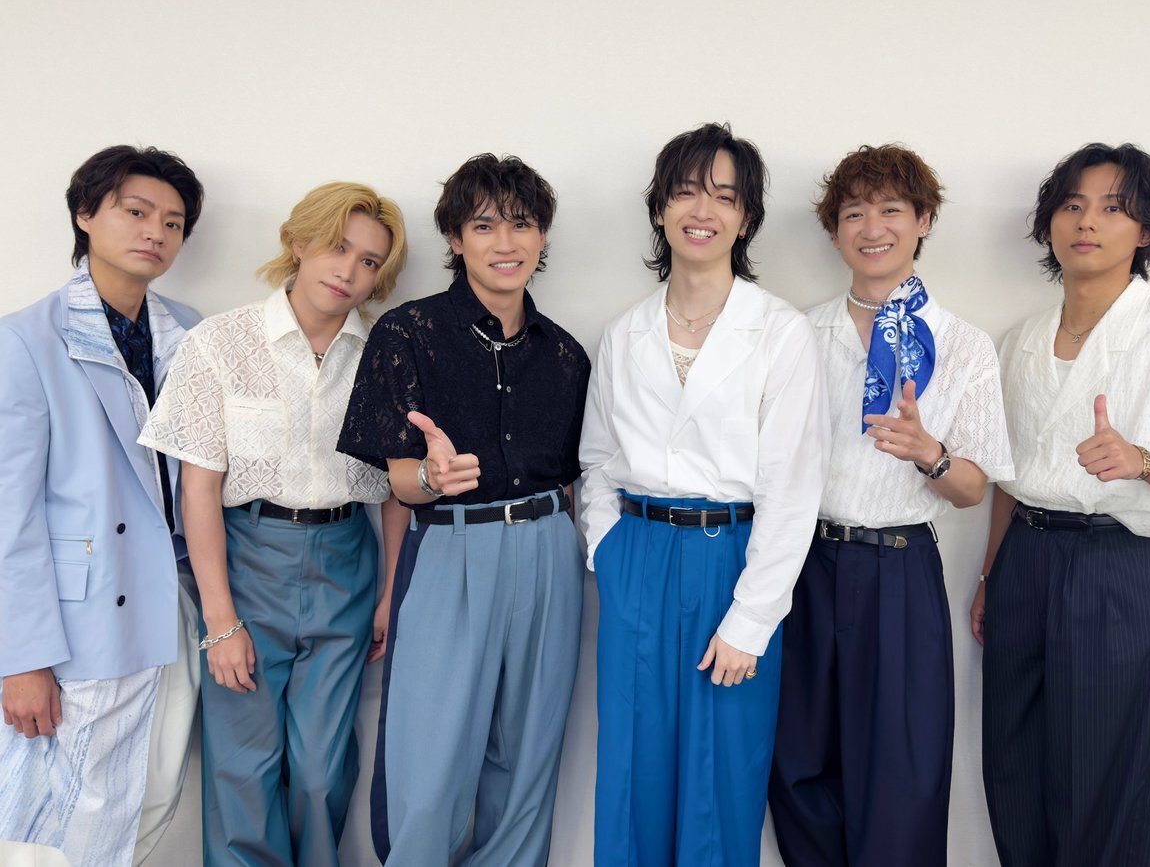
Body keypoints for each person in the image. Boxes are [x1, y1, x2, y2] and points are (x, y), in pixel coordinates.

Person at [578, 122, 829, 867]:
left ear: (746, 219)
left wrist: (753, 618)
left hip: (731, 560)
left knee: (721, 773)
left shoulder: (779, 331)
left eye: (724, 196)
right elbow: (597, 461)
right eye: (687, 191)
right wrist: (607, 551)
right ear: (660, 208)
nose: (703, 210)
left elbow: (793, 487)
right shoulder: (624, 333)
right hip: (638, 555)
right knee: (634, 765)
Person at [139, 182, 408, 866]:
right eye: (337, 247)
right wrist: (221, 622)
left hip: (347, 564)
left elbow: (396, 492)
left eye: (369, 261)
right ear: (297, 242)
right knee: (243, 766)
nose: (349, 271)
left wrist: (389, 593)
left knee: (321, 770)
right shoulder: (219, 343)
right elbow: (198, 489)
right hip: (247, 562)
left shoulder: (384, 354)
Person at [337, 154, 590, 867]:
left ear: (542, 237)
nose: (505, 243)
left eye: (522, 224)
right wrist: (432, 475)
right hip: (450, 549)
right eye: (483, 226)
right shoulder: (407, 333)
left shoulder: (566, 355)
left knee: (528, 759)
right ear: (454, 238)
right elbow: (398, 480)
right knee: (428, 765)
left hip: (548, 552)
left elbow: (574, 478)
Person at [766, 144, 1012, 867]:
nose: (872, 228)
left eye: (891, 210)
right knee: (797, 767)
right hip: (802, 564)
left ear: (924, 220)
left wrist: (930, 453)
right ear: (834, 230)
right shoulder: (795, 334)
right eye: (853, 213)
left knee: (902, 776)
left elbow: (974, 488)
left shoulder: (962, 345)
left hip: (899, 570)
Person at [975, 143, 1150, 867]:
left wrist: (1143, 462)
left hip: (1122, 566)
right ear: (1049, 224)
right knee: (1015, 761)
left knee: (1111, 775)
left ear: (1147, 232)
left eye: (1113, 208)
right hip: (1026, 559)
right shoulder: (1019, 342)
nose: (1087, 222)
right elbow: (1007, 477)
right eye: (1072, 205)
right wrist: (991, 575)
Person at [0, 144, 204, 866]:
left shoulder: (189, 331)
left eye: (173, 223)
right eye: (137, 212)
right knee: (62, 817)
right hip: (79, 618)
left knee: (149, 797)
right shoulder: (26, 340)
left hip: (172, 606)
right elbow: (11, 516)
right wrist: (22, 659)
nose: (156, 232)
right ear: (86, 215)